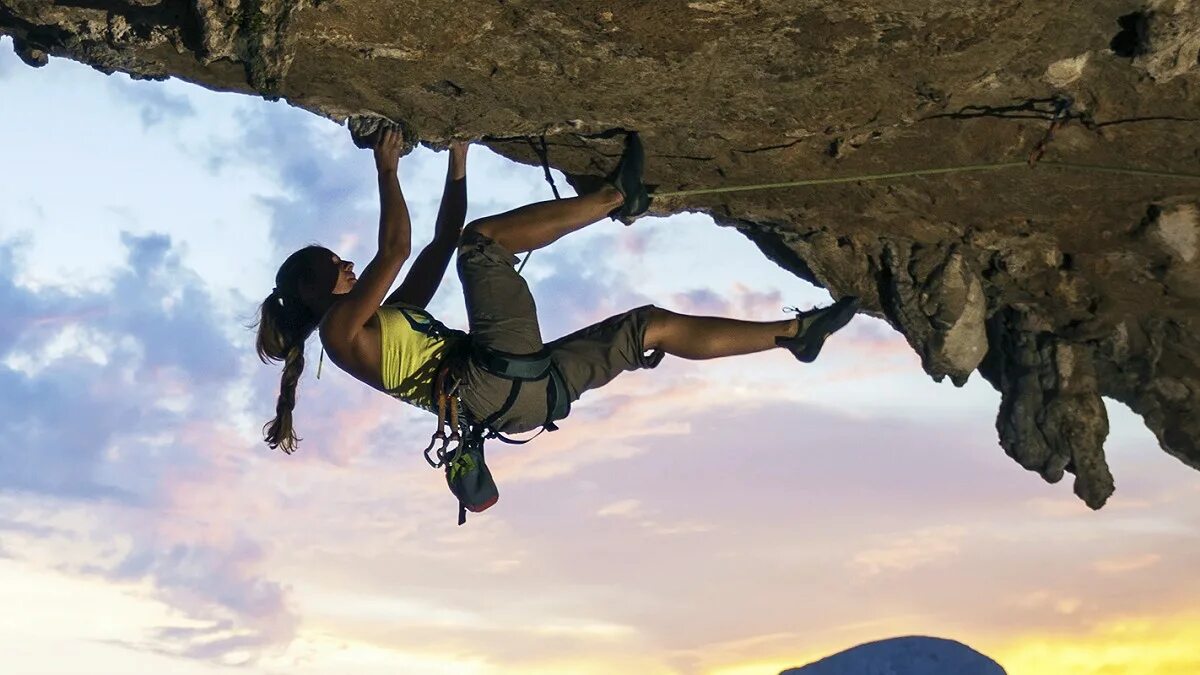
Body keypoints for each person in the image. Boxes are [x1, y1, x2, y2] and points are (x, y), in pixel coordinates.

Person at [255, 128, 859, 454]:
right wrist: (386, 169)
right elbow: (397, 250)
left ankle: (794, 335)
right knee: (483, 245)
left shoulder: (389, 323)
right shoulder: (340, 334)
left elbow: (438, 242)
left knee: (649, 326)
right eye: (332, 266)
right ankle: (617, 196)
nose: (348, 264)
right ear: (309, 293)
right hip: (491, 380)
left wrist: (458, 159)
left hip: (527, 401)